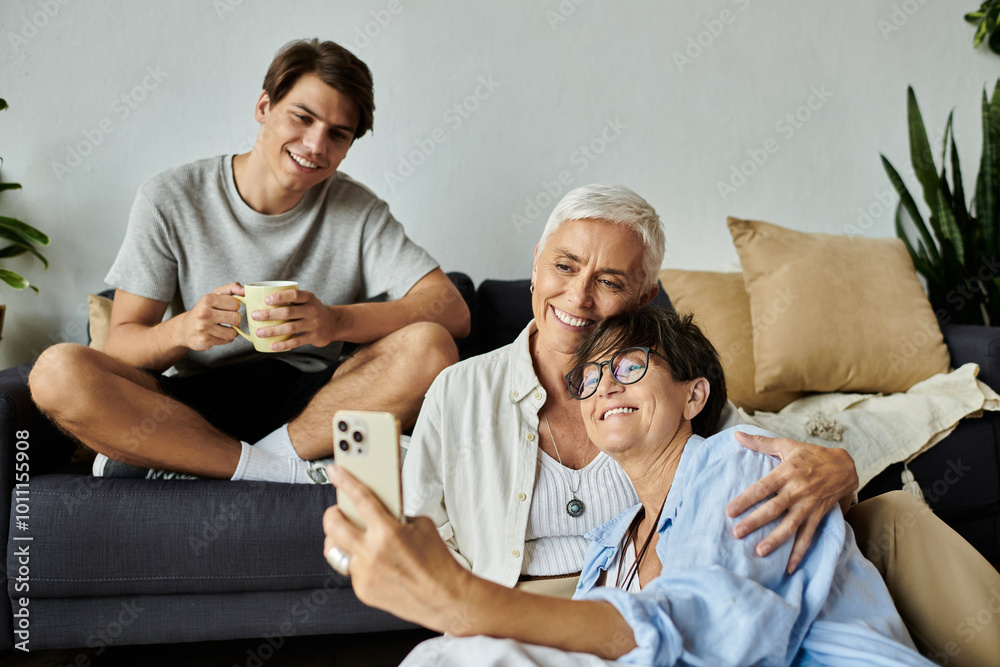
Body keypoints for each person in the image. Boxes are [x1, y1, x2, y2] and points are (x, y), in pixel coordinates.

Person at [394, 183, 1000, 663]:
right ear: (536, 264)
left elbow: (754, 456)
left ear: (645, 295)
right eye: (565, 266)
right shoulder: (461, 390)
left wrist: (841, 468)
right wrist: (467, 605)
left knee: (889, 516)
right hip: (536, 594)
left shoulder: (694, 420)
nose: (579, 297)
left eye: (609, 281)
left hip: (669, 588)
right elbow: (424, 532)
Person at [323, 306, 933, 665]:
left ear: (694, 395)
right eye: (588, 378)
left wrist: (469, 600)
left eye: (630, 367)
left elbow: (723, 631)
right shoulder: (610, 544)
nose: (605, 386)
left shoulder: (741, 463)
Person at [28, 38, 469, 484]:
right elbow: (120, 346)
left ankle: (226, 462)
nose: (316, 145)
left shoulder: (358, 210)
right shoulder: (170, 198)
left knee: (432, 345)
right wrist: (184, 330)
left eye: (338, 133)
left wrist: (333, 322)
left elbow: (451, 310)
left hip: (314, 405)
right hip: (192, 403)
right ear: (264, 106)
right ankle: (277, 470)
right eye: (303, 117)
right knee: (55, 372)